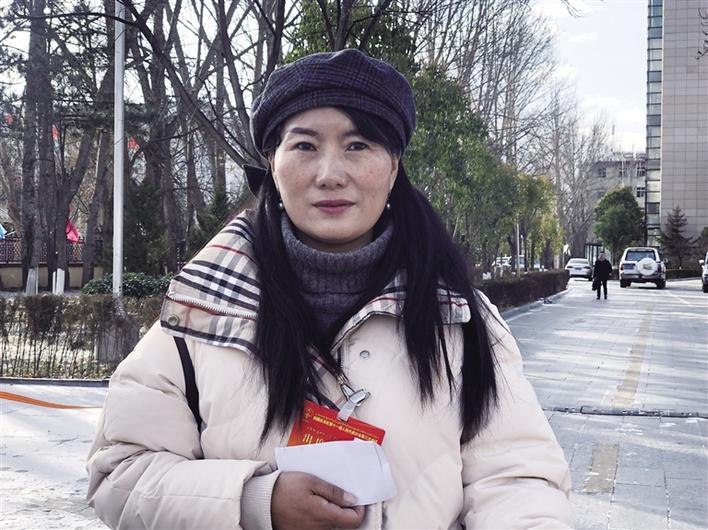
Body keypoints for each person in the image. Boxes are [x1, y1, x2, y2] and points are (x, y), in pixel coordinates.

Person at [87, 49, 572, 529]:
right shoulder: (200, 313)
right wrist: (254, 500)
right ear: (272, 162)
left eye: (358, 145)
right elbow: (120, 472)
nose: (330, 174)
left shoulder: (461, 318)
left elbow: (518, 479)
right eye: (305, 146)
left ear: (394, 164)